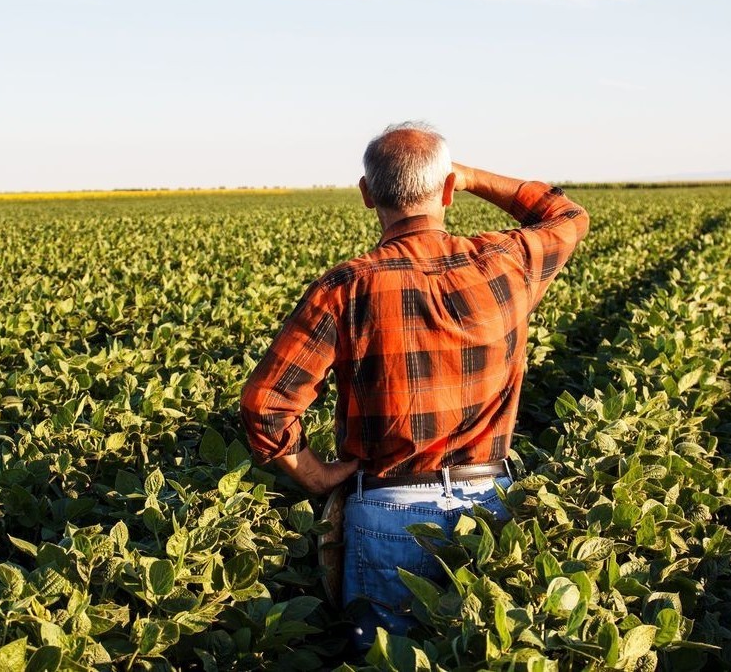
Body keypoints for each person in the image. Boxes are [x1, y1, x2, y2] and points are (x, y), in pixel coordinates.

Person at [240, 121, 589, 647]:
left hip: (386, 511)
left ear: (366, 194)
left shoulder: (346, 287)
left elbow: (266, 405)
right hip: (489, 508)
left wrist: (313, 475)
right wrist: (470, 176)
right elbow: (567, 216)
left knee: (389, 658)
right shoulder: (506, 263)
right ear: (448, 190)